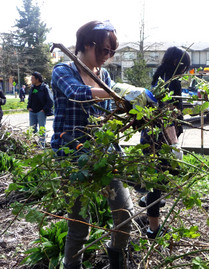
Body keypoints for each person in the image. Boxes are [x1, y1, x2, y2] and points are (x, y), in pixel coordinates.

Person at [51, 20, 134, 268]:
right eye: (104, 50)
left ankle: (116, 257)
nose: (108, 57)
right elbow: (76, 94)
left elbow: (107, 114)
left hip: (105, 154)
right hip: (73, 156)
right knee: (79, 224)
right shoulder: (63, 71)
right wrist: (118, 94)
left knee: (124, 213)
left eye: (112, 52)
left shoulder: (103, 75)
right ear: (88, 44)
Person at [140, 46, 190, 239]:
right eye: (185, 66)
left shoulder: (159, 77)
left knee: (156, 177)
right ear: (180, 65)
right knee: (157, 182)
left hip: (150, 136)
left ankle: (149, 199)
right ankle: (153, 229)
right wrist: (175, 143)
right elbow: (167, 114)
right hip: (161, 140)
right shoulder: (172, 82)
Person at [27, 72, 53, 147]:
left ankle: (42, 145)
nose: (31, 80)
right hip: (32, 111)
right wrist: (28, 107)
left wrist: (44, 109)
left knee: (41, 128)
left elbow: (50, 101)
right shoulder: (32, 87)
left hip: (41, 112)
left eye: (32, 78)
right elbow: (30, 98)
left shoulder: (44, 87)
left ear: (37, 79)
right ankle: (34, 143)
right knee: (32, 129)